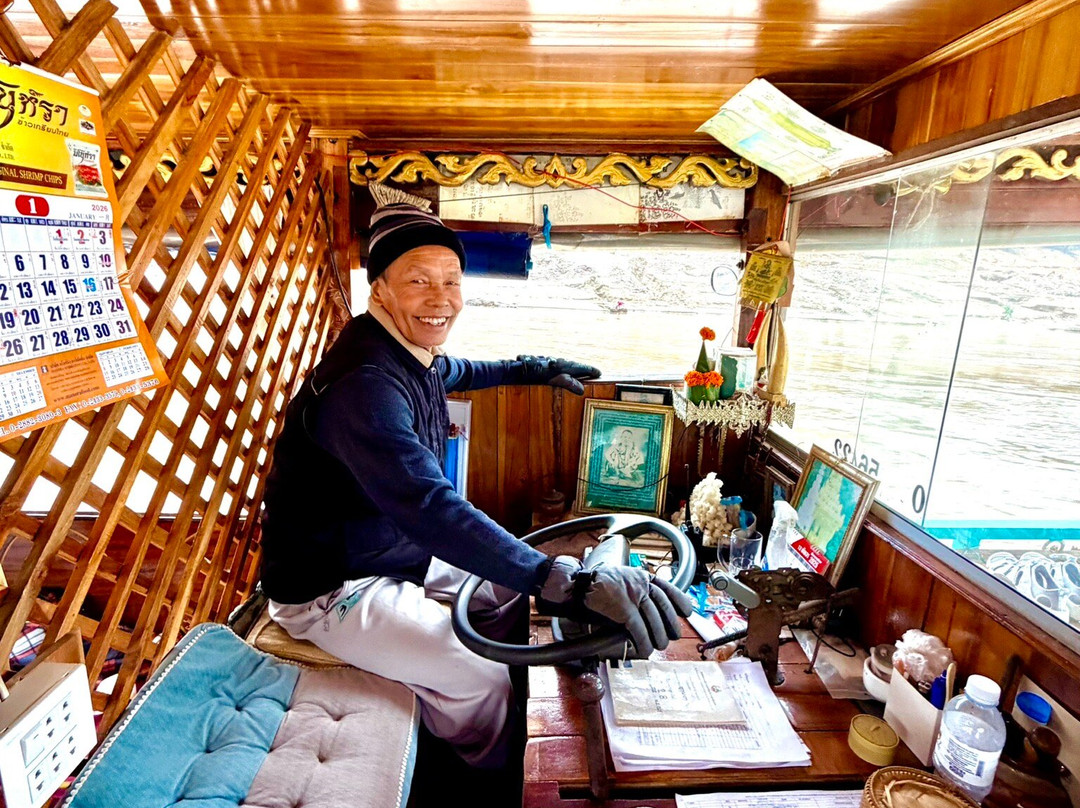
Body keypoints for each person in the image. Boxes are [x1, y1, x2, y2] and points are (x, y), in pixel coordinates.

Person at [259, 203, 692, 771]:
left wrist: (532, 369)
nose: (440, 299)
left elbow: (458, 371)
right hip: (331, 587)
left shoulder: (403, 350)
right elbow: (430, 507)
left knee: (505, 596)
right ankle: (479, 778)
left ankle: (482, 715)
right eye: (418, 281)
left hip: (391, 554)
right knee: (483, 679)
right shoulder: (363, 386)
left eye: (451, 281)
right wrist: (566, 580)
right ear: (381, 288)